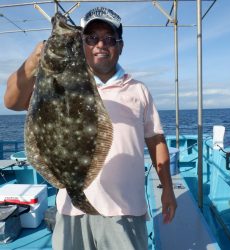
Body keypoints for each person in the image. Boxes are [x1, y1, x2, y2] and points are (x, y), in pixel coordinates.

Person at [4, 7, 177, 250]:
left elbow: (156, 140)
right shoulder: (56, 81)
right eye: (91, 38)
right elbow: (12, 101)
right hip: (70, 210)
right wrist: (34, 59)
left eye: (109, 39)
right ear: (82, 44)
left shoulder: (138, 90)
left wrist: (167, 189)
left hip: (125, 210)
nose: (100, 45)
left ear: (120, 46)